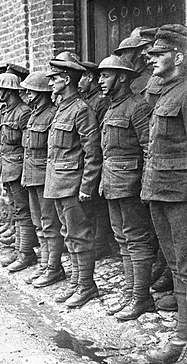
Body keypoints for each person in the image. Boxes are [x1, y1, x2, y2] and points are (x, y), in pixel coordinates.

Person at [96, 54, 155, 321]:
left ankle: (140, 298)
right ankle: (132, 293)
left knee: (137, 241)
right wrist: (101, 181)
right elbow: (106, 151)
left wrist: (145, 187)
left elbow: (148, 150)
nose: (100, 81)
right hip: (112, 183)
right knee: (122, 239)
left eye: (105, 76)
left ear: (121, 77)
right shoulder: (111, 108)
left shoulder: (138, 107)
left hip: (131, 186)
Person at [141, 24, 187, 363]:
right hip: (158, 189)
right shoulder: (165, 92)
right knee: (174, 265)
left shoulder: (185, 93)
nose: (150, 57)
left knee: (184, 266)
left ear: (179, 56)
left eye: (158, 54)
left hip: (181, 193)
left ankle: (180, 340)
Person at [44, 52, 102, 308]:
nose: (50, 83)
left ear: (66, 79)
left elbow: (93, 152)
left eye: (54, 78)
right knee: (69, 234)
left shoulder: (81, 110)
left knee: (80, 235)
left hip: (73, 184)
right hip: (58, 182)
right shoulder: (62, 110)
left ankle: (87, 286)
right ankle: (77, 282)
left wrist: (87, 187)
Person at [19, 71, 65, 287]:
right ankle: (44, 265)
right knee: (38, 223)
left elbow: (53, 151)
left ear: (41, 93)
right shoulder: (34, 115)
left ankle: (54, 268)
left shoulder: (52, 115)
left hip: (45, 178)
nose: (27, 94)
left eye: (31, 91)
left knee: (49, 224)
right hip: (31, 176)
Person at [0, 73, 34, 272]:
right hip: (6, 166)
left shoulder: (23, 112)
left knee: (23, 210)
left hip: (18, 168)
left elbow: (28, 147)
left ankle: (26, 254)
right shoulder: (7, 111)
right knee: (16, 209)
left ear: (9, 91)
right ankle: (19, 250)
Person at [77, 61, 115, 260]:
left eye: (81, 78)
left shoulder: (100, 101)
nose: (78, 83)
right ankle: (95, 242)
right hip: (88, 155)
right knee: (91, 205)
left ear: (88, 77)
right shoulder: (86, 99)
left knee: (98, 205)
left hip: (99, 154)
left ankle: (101, 244)